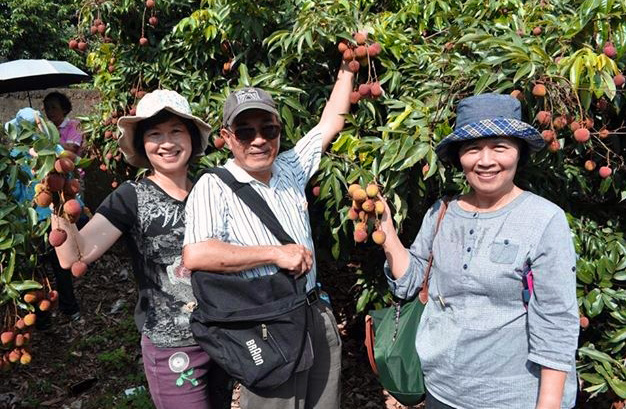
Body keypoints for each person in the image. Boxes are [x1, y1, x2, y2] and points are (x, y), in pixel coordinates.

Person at [378, 93, 579, 409]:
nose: (486, 160)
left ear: (518, 153)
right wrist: (387, 231)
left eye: (500, 147)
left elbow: (556, 320)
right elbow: (411, 281)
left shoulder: (544, 219)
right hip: (442, 391)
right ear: (460, 157)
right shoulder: (441, 212)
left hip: (515, 398)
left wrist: (549, 403)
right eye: (473, 149)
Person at [182, 61, 353, 409]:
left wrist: (349, 66)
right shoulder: (213, 186)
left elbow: (331, 121)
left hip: (313, 312)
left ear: (278, 131)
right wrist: (275, 253)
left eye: (268, 130)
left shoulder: (290, 167)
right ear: (227, 137)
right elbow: (197, 255)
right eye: (245, 132)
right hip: (264, 324)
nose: (258, 140)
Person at [51, 90, 232, 409]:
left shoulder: (211, 188)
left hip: (220, 337)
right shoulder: (130, 196)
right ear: (142, 145)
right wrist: (58, 198)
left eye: (176, 131)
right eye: (155, 134)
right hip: (171, 346)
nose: (167, 142)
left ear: (190, 137)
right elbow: (72, 256)